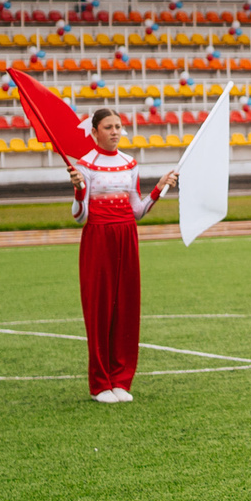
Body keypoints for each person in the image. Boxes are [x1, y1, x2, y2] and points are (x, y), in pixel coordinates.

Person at [67, 108, 173, 405]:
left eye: (118, 126)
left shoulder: (130, 163)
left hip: (127, 236)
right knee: (99, 309)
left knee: (126, 307)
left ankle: (121, 379)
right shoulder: (85, 165)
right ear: (94, 131)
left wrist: (159, 189)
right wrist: (78, 191)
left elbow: (136, 210)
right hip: (99, 238)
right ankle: (100, 383)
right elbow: (80, 216)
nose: (115, 132)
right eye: (108, 127)